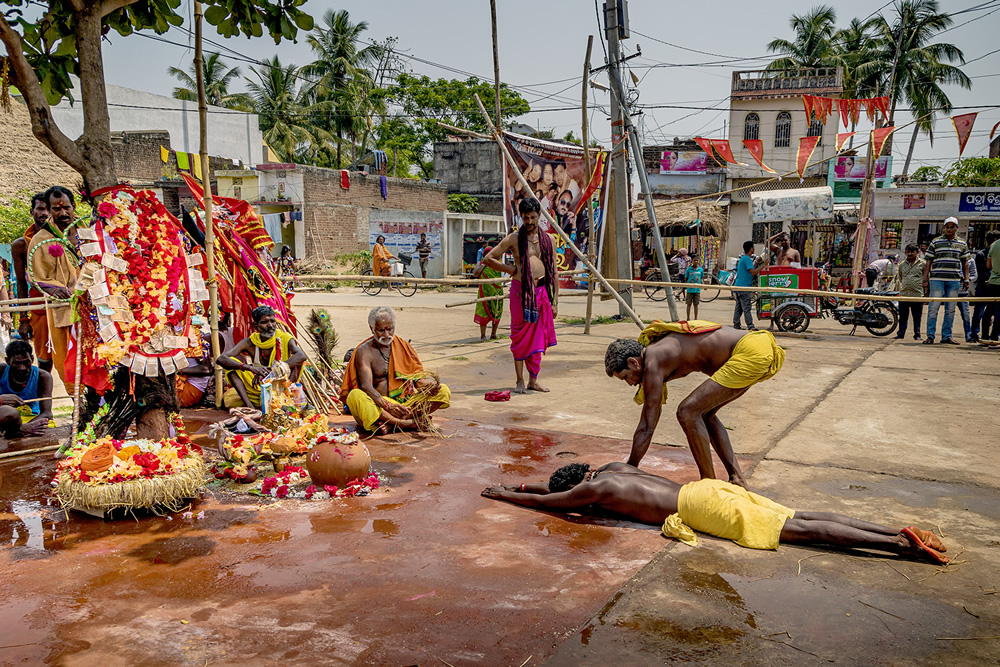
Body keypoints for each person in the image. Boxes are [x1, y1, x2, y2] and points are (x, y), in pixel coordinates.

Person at [481, 462, 949, 564]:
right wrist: (520, 481)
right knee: (800, 514)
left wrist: (505, 495)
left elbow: (549, 502)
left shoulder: (595, 491)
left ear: (583, 490)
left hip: (699, 507)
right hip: (707, 488)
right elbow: (552, 487)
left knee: (803, 534)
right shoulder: (611, 469)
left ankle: (899, 547)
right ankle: (898, 530)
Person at [606, 321, 785, 488]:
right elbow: (651, 419)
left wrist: (629, 468)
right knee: (704, 414)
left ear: (633, 362)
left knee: (687, 412)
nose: (629, 383)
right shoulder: (657, 351)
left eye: (625, 377)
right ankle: (736, 478)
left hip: (750, 352)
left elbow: (647, 426)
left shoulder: (653, 361)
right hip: (757, 346)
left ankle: (708, 484)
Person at [481, 198, 558, 394]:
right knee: (519, 335)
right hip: (519, 293)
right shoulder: (514, 238)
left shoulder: (549, 240)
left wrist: (555, 301)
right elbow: (488, 259)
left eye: (533, 217)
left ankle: (534, 380)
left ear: (539, 216)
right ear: (521, 217)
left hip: (542, 294)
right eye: (526, 218)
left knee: (538, 337)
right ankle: (519, 381)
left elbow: (555, 273)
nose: (530, 221)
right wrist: (511, 269)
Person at [340, 306, 451, 432]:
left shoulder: (403, 346)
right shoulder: (364, 351)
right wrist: (389, 405)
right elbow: (366, 386)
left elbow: (417, 380)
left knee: (444, 391)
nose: (386, 334)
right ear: (372, 329)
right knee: (355, 396)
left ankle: (392, 423)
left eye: (390, 329)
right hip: (380, 406)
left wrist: (428, 387)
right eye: (381, 330)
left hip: (404, 406)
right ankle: (406, 424)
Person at [26, 185, 81, 392]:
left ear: (73, 206)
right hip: (62, 310)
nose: (63, 213)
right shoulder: (41, 240)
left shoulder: (87, 233)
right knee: (67, 364)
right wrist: (55, 289)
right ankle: (80, 410)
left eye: (66, 207)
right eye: (56, 209)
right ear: (49, 210)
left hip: (94, 310)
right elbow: (35, 277)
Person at [216, 305, 306, 409]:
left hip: (280, 387)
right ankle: (250, 407)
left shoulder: (284, 338)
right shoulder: (249, 342)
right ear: (256, 325)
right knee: (231, 366)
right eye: (264, 322)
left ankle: (285, 399)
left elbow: (301, 355)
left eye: (272, 321)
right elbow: (221, 359)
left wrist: (272, 371)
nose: (270, 325)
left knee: (298, 362)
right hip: (257, 388)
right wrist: (250, 368)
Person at [11, 193, 53, 373]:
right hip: (39, 308)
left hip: (65, 306)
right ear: (32, 211)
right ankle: (45, 401)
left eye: (48, 209)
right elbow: (21, 282)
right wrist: (23, 319)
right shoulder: (21, 245)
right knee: (44, 362)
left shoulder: (65, 238)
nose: (44, 213)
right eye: (40, 209)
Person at [922, 217, 970, 345]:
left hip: (954, 280)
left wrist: (966, 278)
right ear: (944, 228)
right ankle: (930, 336)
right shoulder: (935, 242)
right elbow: (928, 262)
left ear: (957, 228)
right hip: (937, 279)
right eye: (947, 227)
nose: (949, 229)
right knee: (933, 307)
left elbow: (965, 262)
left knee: (950, 309)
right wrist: (925, 279)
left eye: (952, 227)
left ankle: (946, 336)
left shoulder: (962, 244)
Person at [0, 340, 53, 440]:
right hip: (5, 418)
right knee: (10, 414)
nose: (22, 368)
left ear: (32, 359)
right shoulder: (1, 371)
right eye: (16, 363)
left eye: (26, 362)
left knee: (47, 426)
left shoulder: (43, 377)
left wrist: (27, 427)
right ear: (7, 361)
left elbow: (47, 413)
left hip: (32, 417)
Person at [971, 230, 999, 342]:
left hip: (992, 284)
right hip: (983, 287)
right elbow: (982, 272)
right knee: (980, 311)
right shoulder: (981, 254)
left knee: (990, 311)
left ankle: (987, 335)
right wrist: (987, 280)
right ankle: (976, 334)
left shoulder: (992, 250)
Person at [472, 245, 504, 342]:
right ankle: (483, 335)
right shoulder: (480, 263)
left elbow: (505, 275)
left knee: (496, 313)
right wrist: (484, 264)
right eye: (487, 254)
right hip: (484, 293)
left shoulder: (497, 264)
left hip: (497, 292)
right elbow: (475, 274)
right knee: (483, 314)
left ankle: (493, 334)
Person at [894, 244, 926, 340]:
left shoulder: (923, 264)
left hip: (917, 295)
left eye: (912, 252)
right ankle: (900, 334)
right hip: (904, 294)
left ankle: (917, 335)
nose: (910, 254)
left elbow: (926, 278)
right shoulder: (902, 265)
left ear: (917, 252)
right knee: (903, 317)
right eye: (908, 252)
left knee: (917, 317)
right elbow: (900, 277)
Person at [733, 241, 767, 330]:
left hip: (739, 286)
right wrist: (764, 265)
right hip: (743, 287)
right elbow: (753, 272)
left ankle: (736, 324)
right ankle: (750, 325)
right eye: (753, 248)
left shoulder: (744, 259)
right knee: (746, 307)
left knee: (739, 307)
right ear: (751, 249)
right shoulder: (747, 259)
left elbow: (752, 268)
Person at [986, 232, 1000, 342]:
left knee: (989, 309)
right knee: (999, 312)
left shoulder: (994, 245)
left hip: (993, 281)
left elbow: (988, 265)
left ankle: (984, 336)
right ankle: (994, 337)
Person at [684, 255, 704, 321]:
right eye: (694, 260)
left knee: (696, 304)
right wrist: (687, 285)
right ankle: (688, 318)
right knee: (688, 304)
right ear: (692, 261)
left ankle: (695, 318)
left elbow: (702, 278)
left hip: (697, 290)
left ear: (699, 261)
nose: (696, 261)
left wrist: (703, 285)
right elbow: (686, 278)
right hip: (690, 290)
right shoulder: (689, 269)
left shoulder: (700, 270)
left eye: (697, 260)